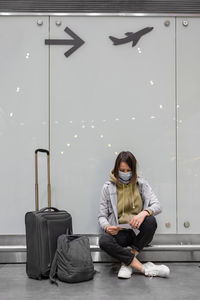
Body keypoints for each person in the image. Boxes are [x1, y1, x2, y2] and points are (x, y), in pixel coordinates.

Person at [98, 151, 170, 279]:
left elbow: (157, 205)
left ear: (133, 170)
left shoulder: (141, 184)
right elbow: (101, 216)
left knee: (151, 221)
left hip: (137, 233)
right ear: (116, 169)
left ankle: (128, 263)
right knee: (104, 240)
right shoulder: (108, 187)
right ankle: (143, 268)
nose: (125, 173)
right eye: (122, 170)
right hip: (119, 233)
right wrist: (107, 227)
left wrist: (143, 213)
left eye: (128, 170)